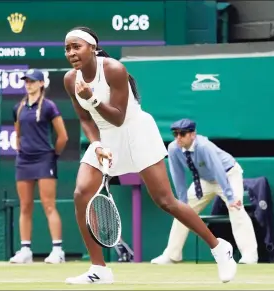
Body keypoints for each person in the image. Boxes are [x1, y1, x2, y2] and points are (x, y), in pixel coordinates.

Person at [63, 26, 237, 284]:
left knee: (166, 201)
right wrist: (97, 144)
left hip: (136, 131)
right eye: (67, 48)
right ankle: (99, 269)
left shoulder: (113, 69)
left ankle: (219, 247)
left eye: (77, 46)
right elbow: (84, 118)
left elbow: (120, 118)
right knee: (81, 194)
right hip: (105, 137)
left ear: (93, 48)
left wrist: (94, 99)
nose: (71, 53)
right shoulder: (70, 79)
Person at [151, 118, 259, 265]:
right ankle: (172, 254)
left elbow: (218, 170)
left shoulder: (204, 146)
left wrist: (230, 196)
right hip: (205, 180)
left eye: (182, 134)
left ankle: (249, 255)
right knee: (180, 211)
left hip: (228, 175)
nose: (178, 138)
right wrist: (182, 202)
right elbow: (178, 175)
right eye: (175, 134)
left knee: (236, 208)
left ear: (192, 134)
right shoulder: (173, 148)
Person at [9, 69, 68, 264]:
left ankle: (57, 250)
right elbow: (18, 135)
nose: (29, 84)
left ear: (41, 84)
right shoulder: (18, 108)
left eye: (33, 81)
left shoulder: (50, 107)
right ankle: (25, 250)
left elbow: (63, 136)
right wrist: (21, 150)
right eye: (27, 81)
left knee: (49, 205)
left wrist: (53, 155)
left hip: (44, 160)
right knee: (25, 206)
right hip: (24, 160)